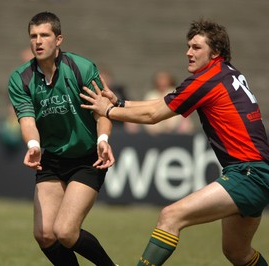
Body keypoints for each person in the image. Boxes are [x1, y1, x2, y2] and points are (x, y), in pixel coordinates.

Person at [81, 19, 269, 265]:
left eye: (196, 47)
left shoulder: (207, 79)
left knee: (171, 216)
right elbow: (162, 105)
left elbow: (153, 115)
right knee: (237, 252)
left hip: (247, 174)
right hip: (256, 173)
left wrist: (108, 112)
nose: (188, 52)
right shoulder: (225, 73)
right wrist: (119, 104)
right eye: (188, 46)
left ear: (215, 52)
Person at [8, 11, 117, 266]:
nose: (38, 41)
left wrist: (103, 139)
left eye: (44, 35)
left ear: (58, 39)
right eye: (33, 36)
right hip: (52, 160)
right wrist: (33, 145)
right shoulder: (20, 79)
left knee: (66, 232)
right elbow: (27, 120)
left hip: (88, 158)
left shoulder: (82, 68)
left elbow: (103, 112)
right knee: (45, 234)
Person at [143, 70, 194, 135]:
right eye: (160, 79)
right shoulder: (151, 95)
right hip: (155, 131)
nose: (162, 82)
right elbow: (147, 113)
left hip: (175, 131)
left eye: (164, 79)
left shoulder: (175, 93)